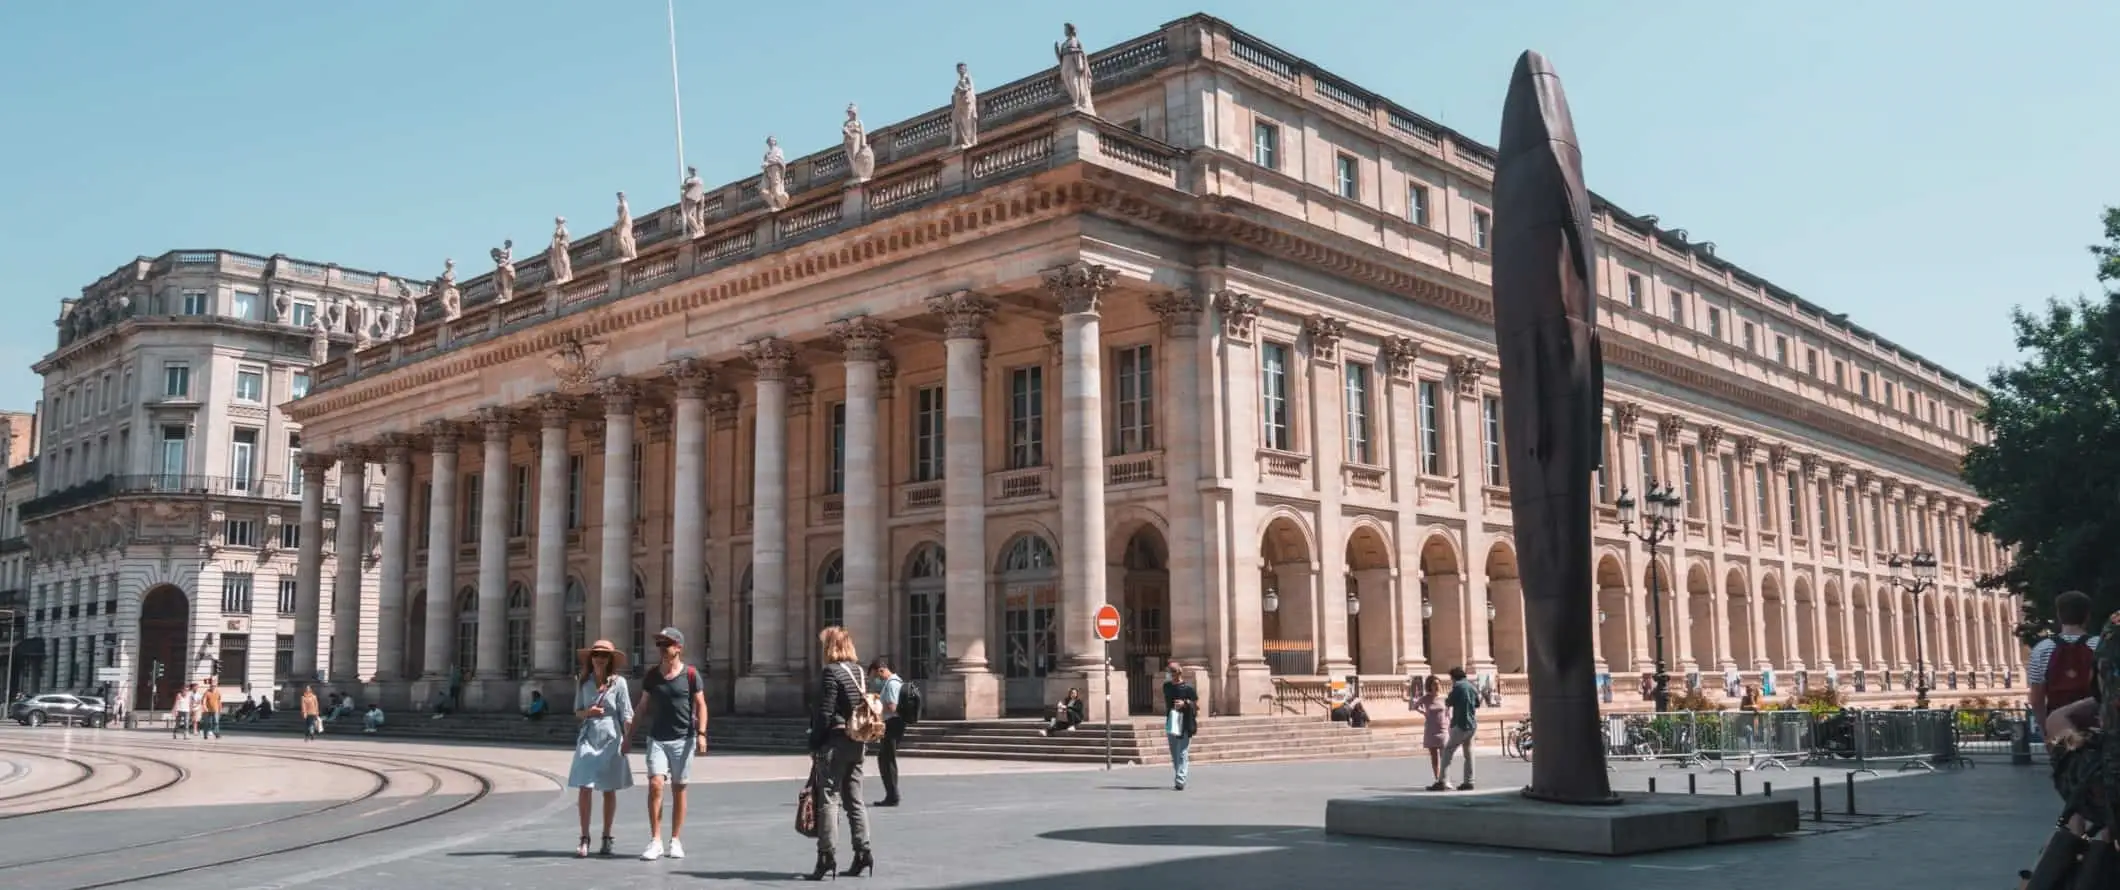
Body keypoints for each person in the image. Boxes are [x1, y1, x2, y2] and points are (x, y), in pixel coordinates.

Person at [806, 626, 875, 881]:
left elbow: (825, 713)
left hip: (834, 742)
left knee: (829, 799)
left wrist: (814, 743)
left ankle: (826, 856)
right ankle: (863, 851)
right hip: (857, 742)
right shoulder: (858, 671)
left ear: (830, 647)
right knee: (855, 800)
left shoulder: (830, 673)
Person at [635, 627, 708, 861]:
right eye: (659, 644)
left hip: (683, 739)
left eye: (667, 644)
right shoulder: (652, 676)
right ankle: (655, 839)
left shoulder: (691, 675)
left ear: (679, 647)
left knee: (678, 789)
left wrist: (702, 733)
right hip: (657, 738)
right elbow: (642, 706)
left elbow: (701, 705)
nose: (663, 649)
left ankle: (675, 839)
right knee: (656, 784)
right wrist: (628, 735)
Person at [567, 639, 634, 859]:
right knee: (584, 786)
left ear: (610, 660)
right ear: (591, 657)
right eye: (596, 654)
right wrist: (589, 712)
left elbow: (626, 713)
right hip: (589, 735)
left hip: (611, 736)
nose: (599, 659)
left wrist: (627, 738)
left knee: (609, 787)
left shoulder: (619, 683)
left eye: (604, 656)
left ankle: (606, 836)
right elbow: (577, 711)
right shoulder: (583, 682)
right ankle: (584, 837)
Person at [2031, 590, 2101, 728]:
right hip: (2096, 724)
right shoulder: (2100, 646)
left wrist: (2045, 729)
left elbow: (2036, 699)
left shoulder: (2041, 649)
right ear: (2087, 616)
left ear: (2059, 615)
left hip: (2059, 727)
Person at [1431, 666, 1478, 791]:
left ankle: (1443, 780)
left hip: (1461, 723)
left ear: (1454, 677)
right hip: (1472, 724)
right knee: (1469, 753)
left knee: (1448, 751)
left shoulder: (1457, 687)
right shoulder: (1472, 687)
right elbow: (1477, 703)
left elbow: (1449, 702)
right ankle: (1469, 781)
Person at [870, 657, 906, 807]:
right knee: (885, 758)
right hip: (894, 724)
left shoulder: (891, 684)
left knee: (887, 760)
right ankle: (891, 794)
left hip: (893, 724)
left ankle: (893, 795)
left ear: (881, 670)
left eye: (876, 676)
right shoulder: (896, 681)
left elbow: (892, 707)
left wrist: (876, 707)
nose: (876, 680)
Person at [1162, 661, 1199, 791]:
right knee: (1174, 751)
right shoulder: (1166, 687)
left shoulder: (1188, 688)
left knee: (1182, 751)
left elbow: (1196, 705)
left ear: (1177, 673)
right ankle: (1179, 773)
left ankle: (1180, 779)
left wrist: (1185, 703)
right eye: (1168, 671)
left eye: (1170, 672)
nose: (1168, 674)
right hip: (1172, 718)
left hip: (1184, 720)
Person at [1414, 675, 1447, 786]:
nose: (1437, 686)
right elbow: (1415, 706)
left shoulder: (1444, 698)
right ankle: (1438, 778)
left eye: (1438, 684)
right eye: (1434, 684)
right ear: (1430, 686)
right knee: (1434, 757)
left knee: (1445, 756)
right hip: (1431, 730)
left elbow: (1448, 712)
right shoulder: (1426, 698)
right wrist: (1424, 713)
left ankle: (1445, 778)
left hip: (1443, 729)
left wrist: (1449, 724)